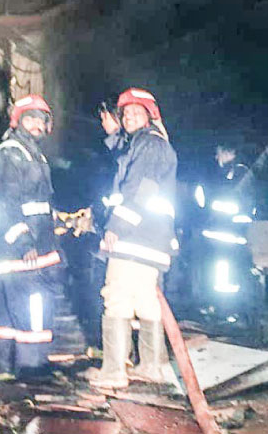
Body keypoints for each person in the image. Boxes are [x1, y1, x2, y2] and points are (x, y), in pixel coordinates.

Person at [87, 87, 178, 389]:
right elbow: (127, 157)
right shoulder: (151, 143)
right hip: (150, 240)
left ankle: (114, 372)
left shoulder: (149, 145)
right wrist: (114, 134)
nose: (129, 117)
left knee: (116, 298)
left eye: (136, 112)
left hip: (134, 238)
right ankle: (152, 367)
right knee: (145, 302)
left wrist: (116, 227)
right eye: (125, 113)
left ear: (149, 116)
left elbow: (141, 189)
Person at [0, 94, 66, 381]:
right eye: (30, 119)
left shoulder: (31, 154)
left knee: (7, 311)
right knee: (34, 306)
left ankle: (2, 368)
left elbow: (36, 205)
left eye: (41, 120)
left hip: (18, 251)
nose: (36, 125)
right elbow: (6, 204)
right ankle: (32, 368)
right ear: (18, 121)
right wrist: (24, 243)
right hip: (22, 251)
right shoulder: (12, 155)